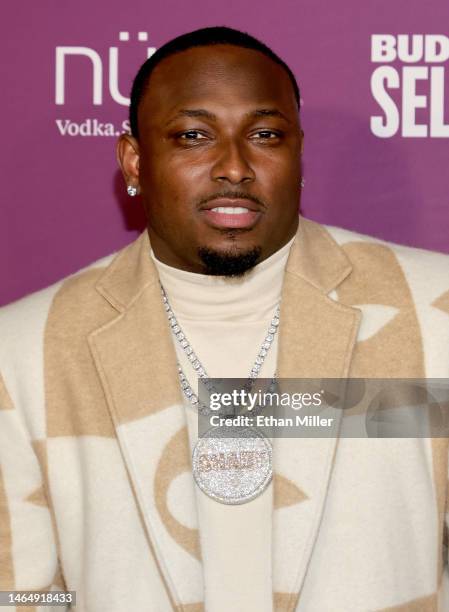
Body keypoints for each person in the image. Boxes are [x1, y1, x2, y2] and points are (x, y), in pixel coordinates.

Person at [0, 25, 449, 612]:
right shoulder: (25, 350)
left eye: (265, 134)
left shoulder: (432, 312)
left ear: (298, 153)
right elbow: (24, 595)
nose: (234, 166)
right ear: (135, 161)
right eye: (193, 136)